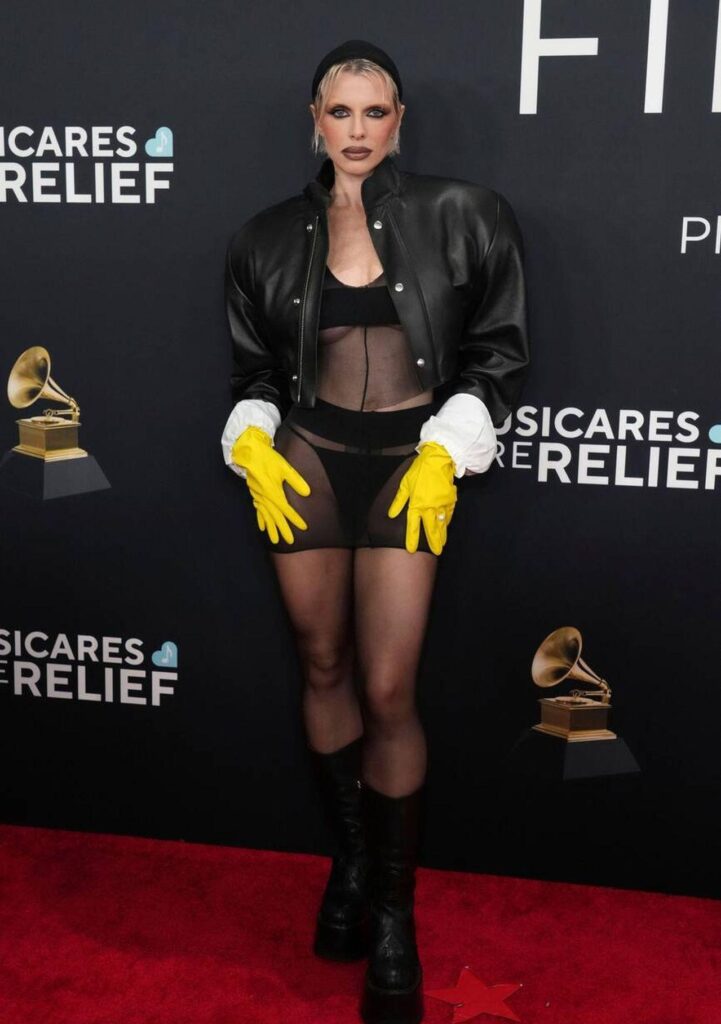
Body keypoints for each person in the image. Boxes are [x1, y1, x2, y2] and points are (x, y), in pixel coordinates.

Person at [220, 39, 530, 1024]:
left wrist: (448, 449)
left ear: (400, 120)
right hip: (308, 457)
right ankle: (351, 863)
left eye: (375, 111)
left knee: (389, 685)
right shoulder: (264, 236)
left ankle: (394, 915)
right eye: (339, 111)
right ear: (313, 120)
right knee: (322, 662)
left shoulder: (466, 213)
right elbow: (256, 372)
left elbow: (496, 354)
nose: (356, 130)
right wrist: (252, 436)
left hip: (412, 460)